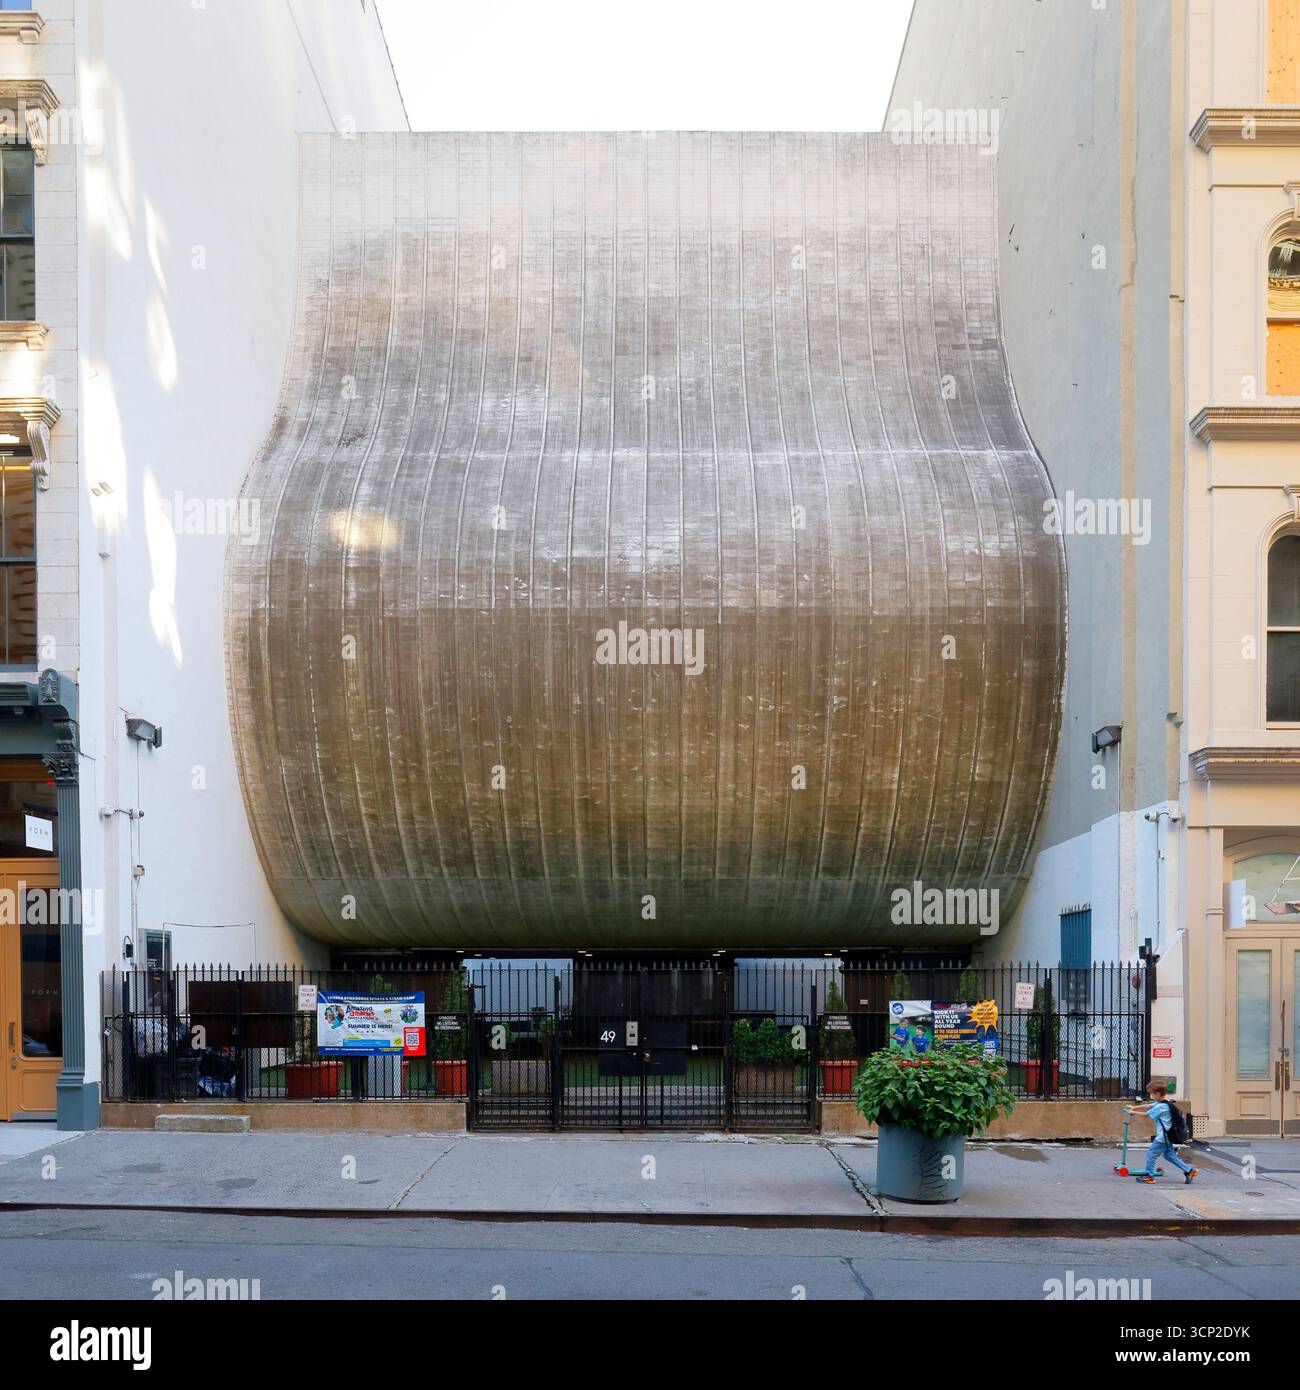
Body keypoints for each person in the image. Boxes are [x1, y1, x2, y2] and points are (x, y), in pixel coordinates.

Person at [1125, 1083, 1198, 1184]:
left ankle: (1149, 1176)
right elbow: (1148, 1106)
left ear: (1158, 1093)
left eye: (1152, 1094)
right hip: (1168, 1135)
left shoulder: (1161, 1106)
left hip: (1164, 1136)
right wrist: (1134, 1107)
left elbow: (1146, 1115)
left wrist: (1133, 1112)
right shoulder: (1164, 1102)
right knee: (1169, 1155)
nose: (1151, 1096)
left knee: (1151, 1153)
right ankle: (1190, 1171)